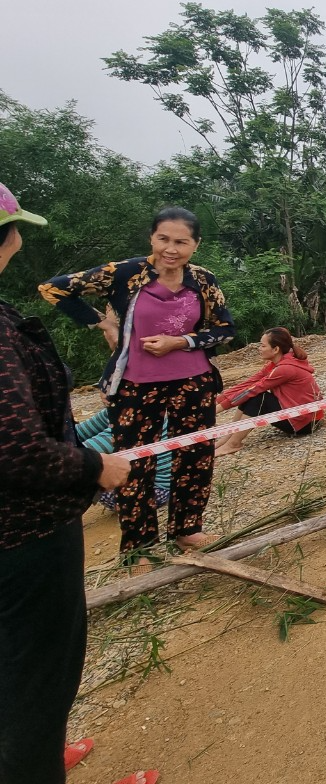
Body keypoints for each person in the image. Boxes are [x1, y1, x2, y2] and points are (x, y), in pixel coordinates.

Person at [0, 182, 158, 784]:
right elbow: (14, 448)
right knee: (39, 668)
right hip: (24, 535)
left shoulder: (195, 285)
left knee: (17, 667)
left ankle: (29, 754)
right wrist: (97, 467)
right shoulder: (122, 275)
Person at [40, 207, 235, 560]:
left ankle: (188, 530)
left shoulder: (203, 280)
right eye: (163, 239)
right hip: (134, 385)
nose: (171, 249)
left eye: (181, 242)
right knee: (135, 463)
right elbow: (54, 289)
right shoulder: (125, 273)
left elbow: (224, 329)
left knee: (195, 455)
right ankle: (139, 546)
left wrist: (180, 342)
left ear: (196, 244)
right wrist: (104, 324)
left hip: (194, 383)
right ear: (151, 238)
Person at [214, 327, 323, 457]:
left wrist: (216, 410)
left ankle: (233, 443)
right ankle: (228, 438)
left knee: (257, 397)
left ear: (276, 349)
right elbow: (247, 384)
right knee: (251, 394)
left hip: (306, 423)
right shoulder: (276, 364)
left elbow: (252, 390)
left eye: (262, 345)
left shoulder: (285, 369)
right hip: (300, 415)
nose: (259, 349)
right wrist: (215, 401)